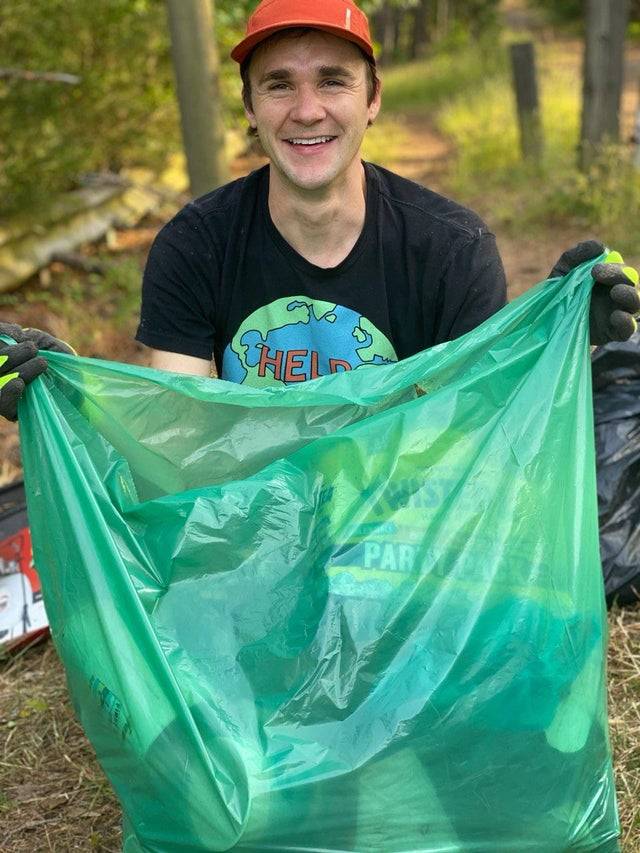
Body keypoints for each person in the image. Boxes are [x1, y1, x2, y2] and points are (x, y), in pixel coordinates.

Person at [0, 0, 638, 412]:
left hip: (401, 536)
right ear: (250, 108)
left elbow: (475, 430)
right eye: (279, 85)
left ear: (373, 99)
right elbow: (181, 436)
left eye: (333, 79)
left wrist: (547, 338)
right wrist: (67, 400)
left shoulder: (451, 246)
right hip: (250, 533)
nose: (307, 111)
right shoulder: (196, 246)